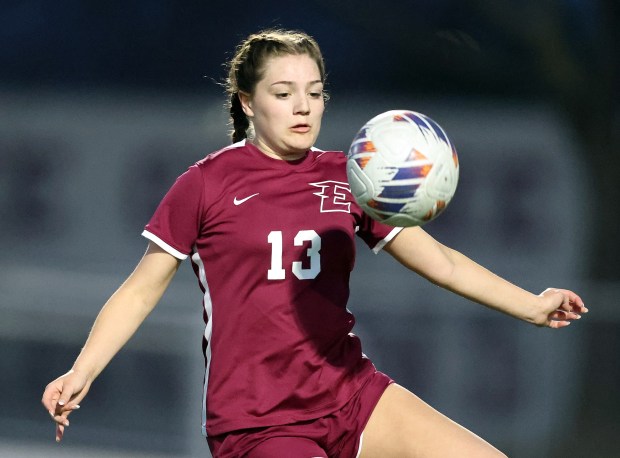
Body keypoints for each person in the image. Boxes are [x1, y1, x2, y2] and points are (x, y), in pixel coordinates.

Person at [42, 29, 587, 458]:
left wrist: (532, 305)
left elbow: (439, 262)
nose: (303, 106)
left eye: (315, 92)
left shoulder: (352, 177)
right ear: (248, 103)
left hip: (349, 392)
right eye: (283, 93)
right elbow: (141, 290)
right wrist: (82, 370)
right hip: (259, 420)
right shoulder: (206, 183)